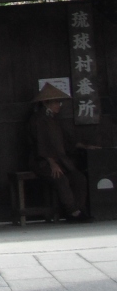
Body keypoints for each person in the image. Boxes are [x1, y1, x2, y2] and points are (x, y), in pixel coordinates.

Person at [28, 84, 96, 221]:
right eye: (56, 102)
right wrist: (51, 162)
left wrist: (84, 146)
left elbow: (65, 141)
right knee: (61, 179)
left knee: (79, 178)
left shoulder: (54, 119)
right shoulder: (38, 120)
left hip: (60, 161)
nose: (59, 105)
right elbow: (40, 145)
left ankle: (78, 209)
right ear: (46, 103)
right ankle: (72, 211)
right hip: (43, 162)